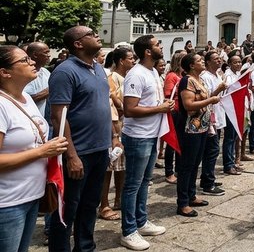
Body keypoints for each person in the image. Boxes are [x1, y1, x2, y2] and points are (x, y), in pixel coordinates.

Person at [48, 27, 115, 252]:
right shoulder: (65, 71)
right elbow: (58, 116)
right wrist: (71, 156)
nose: (97, 35)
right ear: (78, 44)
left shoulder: (98, 68)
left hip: (99, 149)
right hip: (79, 152)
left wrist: (113, 138)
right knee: (68, 209)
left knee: (90, 204)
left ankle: (85, 247)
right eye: (91, 33)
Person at [0, 46, 68, 252]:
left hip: (31, 195)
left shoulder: (26, 99)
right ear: (5, 72)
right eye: (24, 60)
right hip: (8, 202)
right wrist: (42, 152)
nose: (32, 62)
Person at [120, 35, 173, 250]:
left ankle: (141, 221)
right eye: (157, 44)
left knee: (145, 181)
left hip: (152, 134)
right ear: (148, 52)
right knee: (132, 184)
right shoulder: (136, 74)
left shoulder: (152, 72)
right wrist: (160, 108)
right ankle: (128, 230)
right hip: (138, 137)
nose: (160, 46)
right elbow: (129, 109)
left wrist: (163, 104)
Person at [175, 54, 220, 218]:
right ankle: (183, 202)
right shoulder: (187, 81)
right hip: (190, 128)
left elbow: (206, 98)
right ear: (192, 66)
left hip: (201, 127)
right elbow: (188, 105)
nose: (202, 62)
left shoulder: (199, 80)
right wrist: (209, 101)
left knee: (195, 164)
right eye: (199, 61)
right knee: (187, 165)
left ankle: (191, 195)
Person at [99, 47, 135, 222]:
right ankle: (104, 203)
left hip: (126, 125)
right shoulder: (112, 78)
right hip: (113, 125)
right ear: (121, 61)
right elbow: (114, 100)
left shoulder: (130, 77)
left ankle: (119, 198)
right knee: (109, 168)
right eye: (130, 58)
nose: (133, 61)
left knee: (122, 167)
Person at [199, 52, 227, 195]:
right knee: (212, 150)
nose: (219, 61)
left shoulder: (217, 75)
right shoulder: (205, 77)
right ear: (208, 62)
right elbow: (206, 97)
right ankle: (208, 184)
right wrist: (219, 89)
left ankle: (208, 177)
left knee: (213, 149)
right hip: (209, 117)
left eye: (219, 58)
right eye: (215, 59)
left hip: (218, 116)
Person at [163, 51, 186, 184]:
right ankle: (169, 171)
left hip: (182, 111)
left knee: (180, 141)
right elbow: (168, 94)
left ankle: (178, 168)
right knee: (171, 143)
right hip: (174, 111)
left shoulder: (181, 75)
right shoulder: (171, 76)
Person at [22, 42, 51, 118]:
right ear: (35, 55)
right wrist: (52, 89)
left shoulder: (45, 72)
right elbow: (25, 100)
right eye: (46, 52)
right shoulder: (25, 74)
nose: (49, 55)